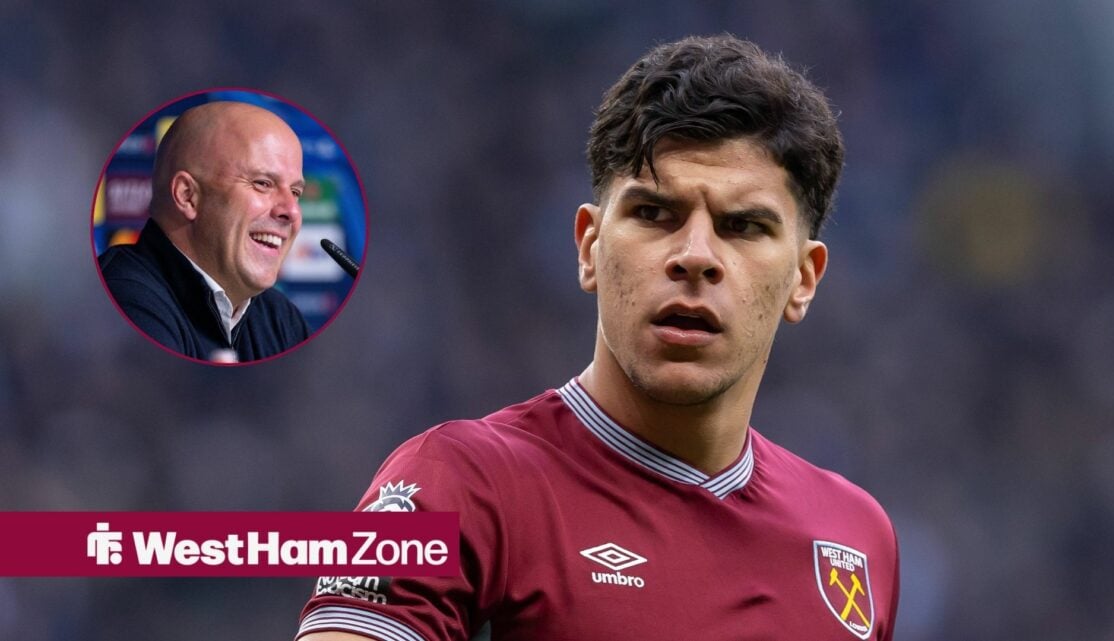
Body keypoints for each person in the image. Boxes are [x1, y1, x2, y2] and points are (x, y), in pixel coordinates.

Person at [296, 35, 899, 640]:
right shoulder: (456, 483)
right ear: (589, 247)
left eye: (742, 227)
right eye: (654, 214)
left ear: (803, 278)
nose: (695, 256)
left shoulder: (856, 538)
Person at [98, 100, 311, 363]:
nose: (291, 211)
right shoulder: (123, 299)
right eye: (263, 183)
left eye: (295, 192)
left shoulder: (281, 319)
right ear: (188, 196)